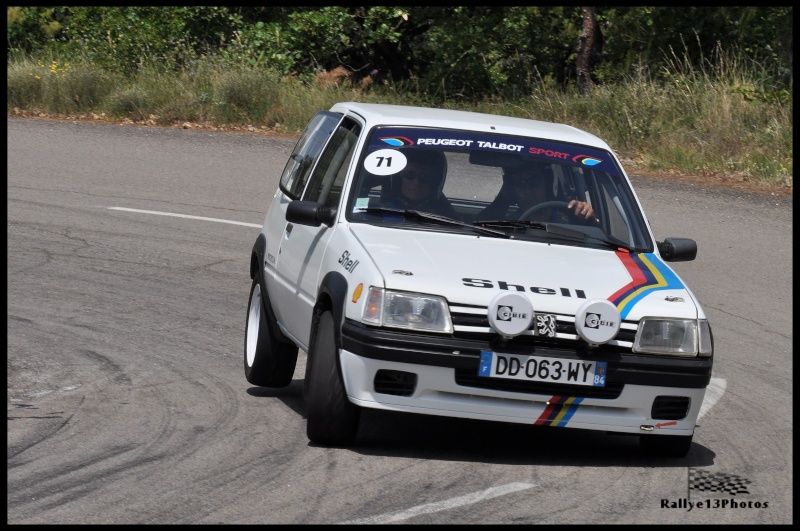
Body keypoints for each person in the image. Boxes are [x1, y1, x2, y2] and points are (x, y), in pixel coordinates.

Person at [477, 163, 598, 224]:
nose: (527, 191)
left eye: (534, 182)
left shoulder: (570, 220)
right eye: (520, 184)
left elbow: (594, 236)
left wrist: (588, 217)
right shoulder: (506, 223)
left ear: (548, 187)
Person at [379, 149, 459, 218]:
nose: (417, 182)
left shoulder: (445, 216)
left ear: (433, 181)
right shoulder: (376, 213)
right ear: (400, 178)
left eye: (425, 177)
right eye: (410, 175)